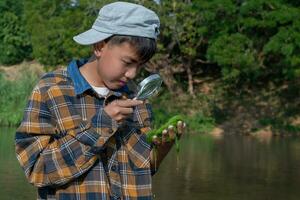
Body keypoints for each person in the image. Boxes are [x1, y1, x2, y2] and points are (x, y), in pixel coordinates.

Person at [15, 2, 185, 200]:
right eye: (128, 62)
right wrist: (101, 124)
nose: (132, 74)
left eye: (140, 66)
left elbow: (142, 171)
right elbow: (37, 171)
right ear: (99, 46)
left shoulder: (137, 99)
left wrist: (163, 147)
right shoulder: (51, 90)